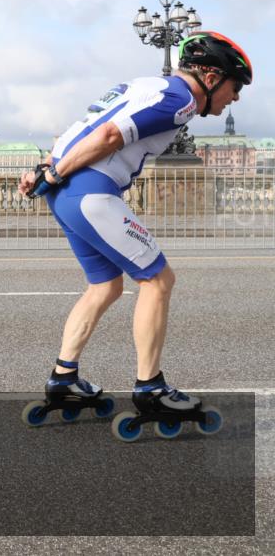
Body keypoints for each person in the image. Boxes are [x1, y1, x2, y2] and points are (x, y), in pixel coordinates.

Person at [17, 31, 252, 426]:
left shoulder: (143, 85)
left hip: (67, 194)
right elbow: (108, 136)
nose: (236, 97)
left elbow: (80, 129)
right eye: (235, 86)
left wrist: (46, 169)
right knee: (158, 281)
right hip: (91, 192)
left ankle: (63, 378)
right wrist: (56, 170)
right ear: (211, 77)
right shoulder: (181, 100)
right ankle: (150, 388)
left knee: (105, 287)